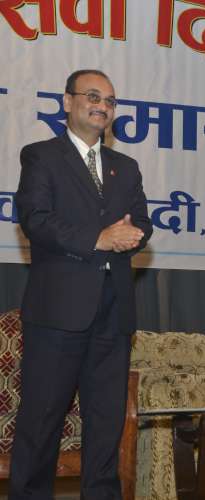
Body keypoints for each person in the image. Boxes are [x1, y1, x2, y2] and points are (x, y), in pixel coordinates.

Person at [9, 69, 152, 499]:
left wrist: (132, 234)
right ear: (67, 102)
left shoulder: (126, 167)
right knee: (41, 421)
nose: (102, 107)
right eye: (93, 97)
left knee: (107, 421)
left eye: (109, 101)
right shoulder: (41, 156)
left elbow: (142, 222)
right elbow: (36, 220)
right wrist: (98, 238)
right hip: (58, 311)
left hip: (114, 312)